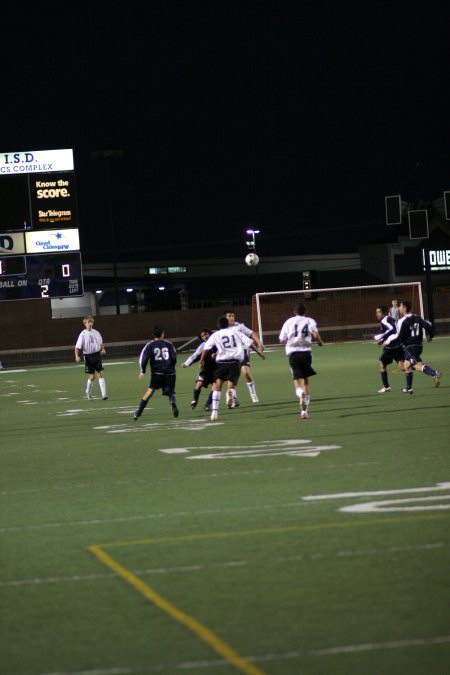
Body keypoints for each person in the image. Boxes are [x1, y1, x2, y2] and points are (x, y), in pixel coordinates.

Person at [382, 299, 441, 394]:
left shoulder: (402, 321)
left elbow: (399, 337)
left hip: (410, 347)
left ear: (404, 308)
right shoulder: (417, 317)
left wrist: (388, 342)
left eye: (400, 306)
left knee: (417, 365)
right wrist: (430, 335)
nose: (399, 308)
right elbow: (429, 325)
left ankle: (434, 373)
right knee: (406, 365)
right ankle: (409, 388)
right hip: (419, 345)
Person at [279, 303, 324, 419]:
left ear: (295, 312)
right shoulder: (310, 321)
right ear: (305, 312)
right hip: (306, 353)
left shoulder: (289, 322)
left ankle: (300, 394)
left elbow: (281, 339)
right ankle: (304, 412)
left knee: (296, 378)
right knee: (305, 380)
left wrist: (290, 341)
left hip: (293, 353)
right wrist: (320, 342)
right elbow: (315, 334)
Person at [199, 315, 247, 421]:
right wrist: (258, 346)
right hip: (234, 362)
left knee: (217, 386)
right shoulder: (235, 332)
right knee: (231, 384)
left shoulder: (215, 335)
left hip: (221, 362)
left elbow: (206, 348)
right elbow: (247, 342)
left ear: (218, 325)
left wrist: (201, 360)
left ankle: (215, 412)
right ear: (228, 323)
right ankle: (230, 393)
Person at [134, 325, 179, 420]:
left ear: (153, 335)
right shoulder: (169, 344)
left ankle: (138, 412)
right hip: (170, 373)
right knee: (170, 392)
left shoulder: (150, 345)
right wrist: (171, 366)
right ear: (162, 333)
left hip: (157, 373)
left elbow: (143, 358)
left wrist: (142, 371)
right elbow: (174, 357)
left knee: (150, 392)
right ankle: (172, 402)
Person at [225, 309, 264, 403]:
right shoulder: (222, 329)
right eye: (229, 316)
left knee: (245, 372)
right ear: (225, 318)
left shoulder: (239, 326)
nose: (231, 318)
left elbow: (251, 333)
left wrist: (259, 343)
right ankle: (232, 398)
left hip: (243, 350)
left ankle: (253, 394)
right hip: (231, 354)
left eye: (233, 316)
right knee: (232, 377)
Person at [182, 327, 216, 411]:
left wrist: (216, 354)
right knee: (199, 384)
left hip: (216, 369)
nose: (205, 336)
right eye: (203, 336)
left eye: (206, 334)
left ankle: (208, 405)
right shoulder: (202, 346)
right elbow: (195, 356)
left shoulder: (216, 342)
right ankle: (195, 400)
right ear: (201, 338)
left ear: (209, 334)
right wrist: (186, 363)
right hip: (205, 370)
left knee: (215, 387)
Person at [74, 315, 108, 400]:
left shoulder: (96, 332)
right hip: (88, 356)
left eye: (91, 322)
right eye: (88, 322)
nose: (90, 324)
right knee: (92, 377)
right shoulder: (83, 334)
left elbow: (101, 343)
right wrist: (77, 356)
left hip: (97, 355)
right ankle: (88, 392)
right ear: (85, 323)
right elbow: (77, 347)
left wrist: (103, 349)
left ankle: (104, 395)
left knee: (100, 374)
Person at [374, 306, 399, 393]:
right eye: (376, 312)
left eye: (379, 312)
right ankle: (430, 372)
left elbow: (392, 329)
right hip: (397, 345)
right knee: (404, 367)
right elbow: (393, 331)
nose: (376, 314)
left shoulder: (384, 320)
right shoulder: (389, 319)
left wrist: (381, 337)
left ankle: (386, 387)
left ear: (383, 313)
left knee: (382, 364)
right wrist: (381, 341)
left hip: (390, 347)